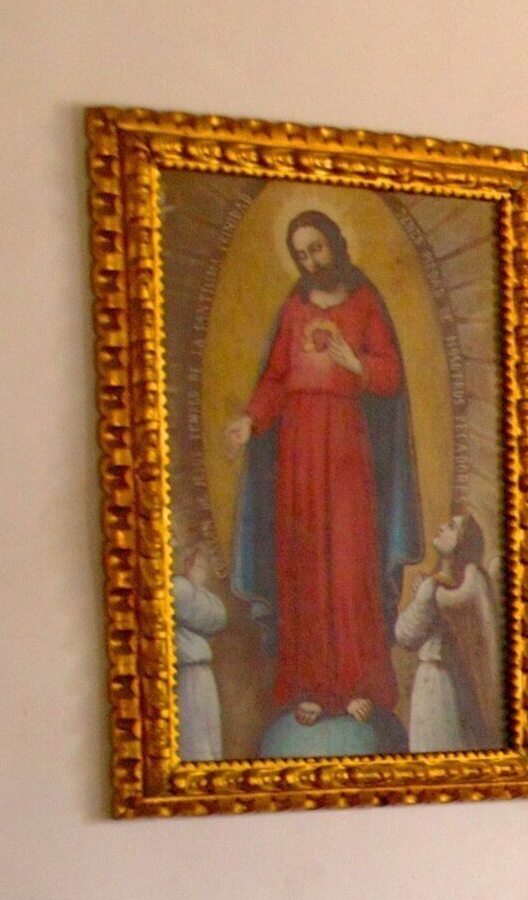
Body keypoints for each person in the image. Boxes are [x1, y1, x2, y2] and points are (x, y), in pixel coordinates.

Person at [226, 208, 421, 757]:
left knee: (350, 562)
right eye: (302, 253)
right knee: (305, 564)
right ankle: (308, 687)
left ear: (335, 244)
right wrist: (251, 419)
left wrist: (352, 362)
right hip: (297, 450)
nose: (312, 260)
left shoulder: (364, 304)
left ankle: (360, 685)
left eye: (318, 248)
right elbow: (276, 379)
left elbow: (389, 377)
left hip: (347, 450)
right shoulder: (294, 309)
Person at [397, 514, 497, 753]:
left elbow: (405, 635)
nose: (441, 526)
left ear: (462, 542)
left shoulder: (452, 589)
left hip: (440, 685)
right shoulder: (442, 584)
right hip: (438, 681)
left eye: (451, 527)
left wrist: (425, 593)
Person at [172, 518, 232, 759]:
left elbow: (219, 616)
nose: (204, 573)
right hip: (186, 673)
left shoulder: (192, 591)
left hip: (200, 672)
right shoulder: (178, 588)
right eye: (201, 566)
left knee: (208, 742)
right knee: (195, 743)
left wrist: (196, 586)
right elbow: (199, 611)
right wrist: (193, 585)